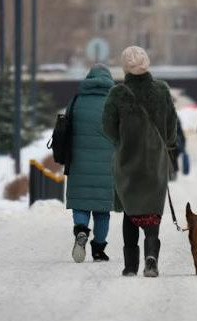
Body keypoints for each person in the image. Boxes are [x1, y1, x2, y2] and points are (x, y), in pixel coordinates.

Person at [102, 46, 178, 278]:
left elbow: (107, 127)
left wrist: (122, 141)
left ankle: (130, 266)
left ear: (125, 67)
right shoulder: (162, 90)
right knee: (152, 211)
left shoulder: (117, 94)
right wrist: (163, 144)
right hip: (155, 162)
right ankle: (151, 257)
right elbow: (172, 128)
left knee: (130, 211)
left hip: (128, 160)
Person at [65, 65, 117, 263]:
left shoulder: (76, 100)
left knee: (81, 204)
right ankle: (98, 250)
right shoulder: (114, 102)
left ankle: (80, 229)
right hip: (107, 164)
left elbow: (65, 128)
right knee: (103, 210)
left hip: (79, 162)